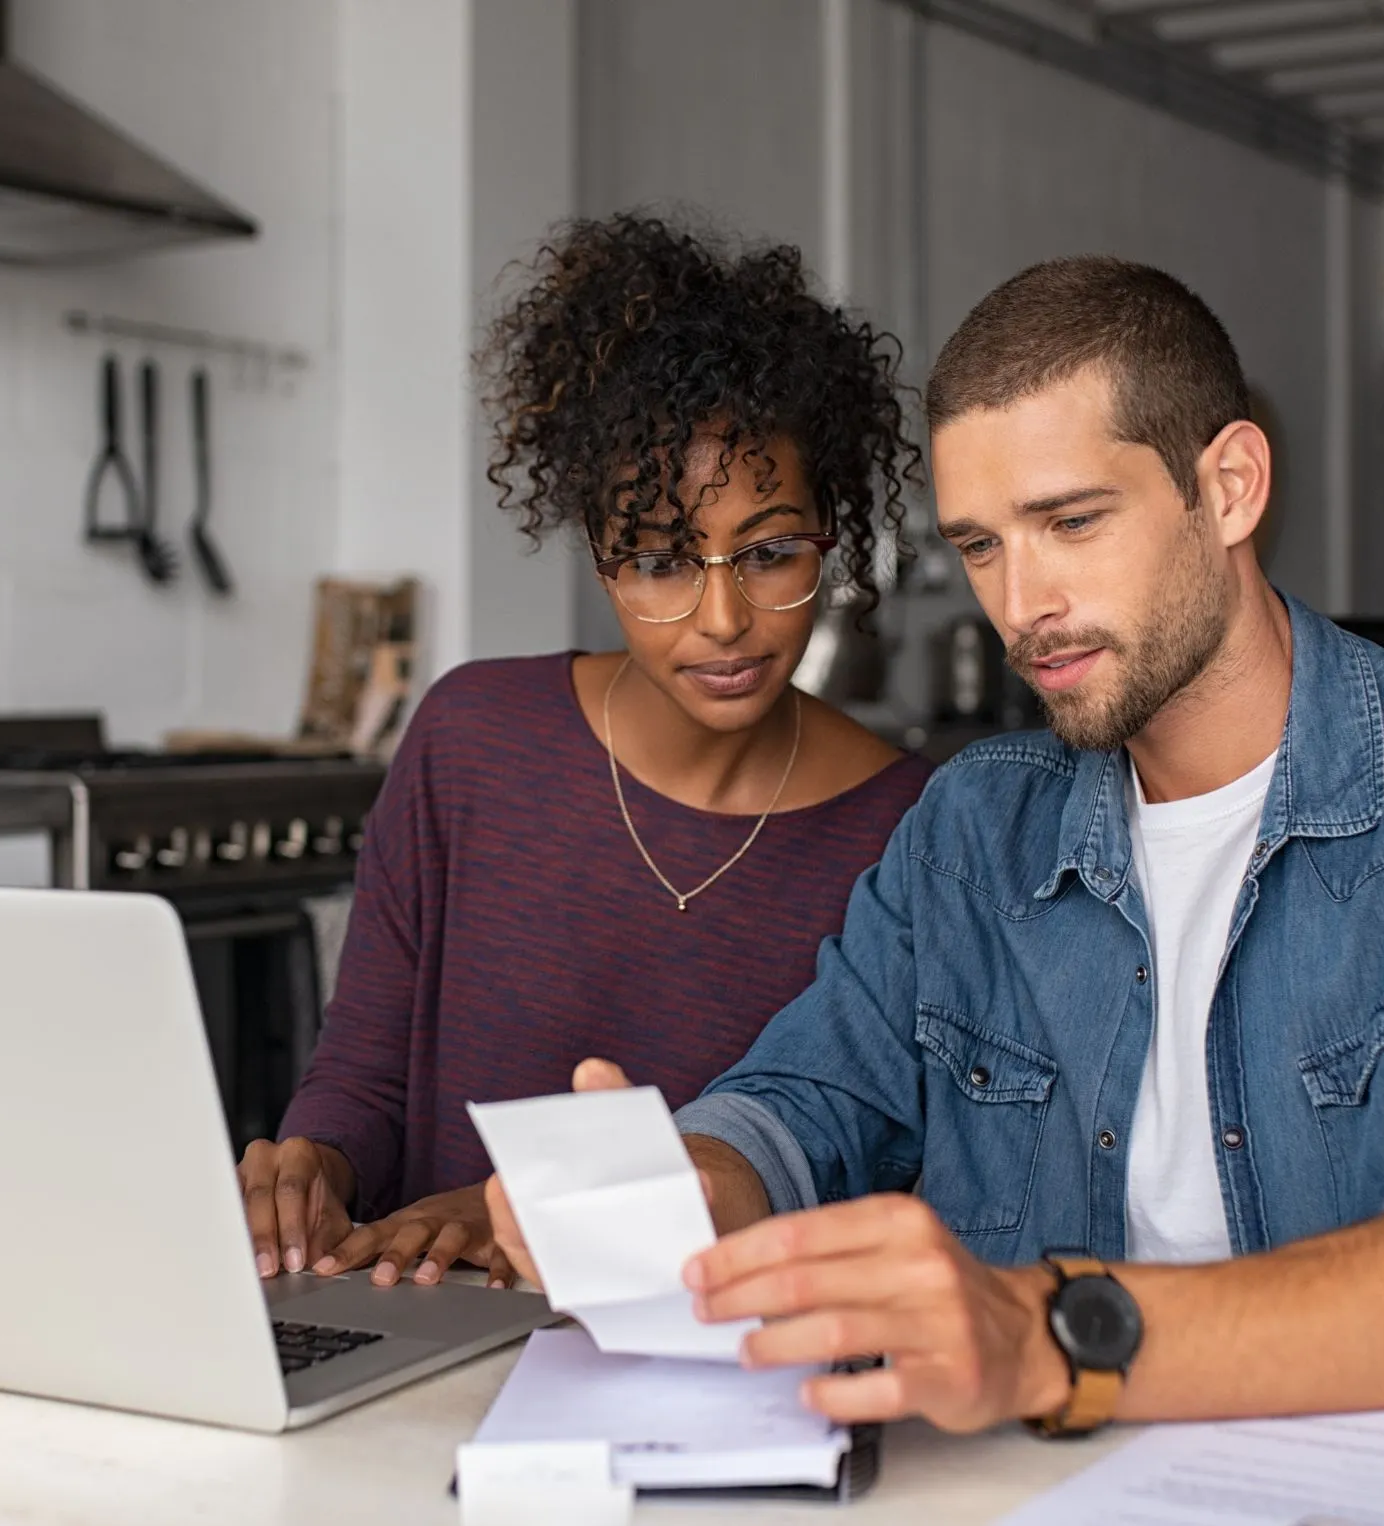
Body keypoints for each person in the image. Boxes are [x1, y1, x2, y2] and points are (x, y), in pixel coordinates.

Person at [490, 256, 1384, 1431]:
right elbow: (803, 1101)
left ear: (1230, 486)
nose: (1022, 603)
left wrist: (1055, 1337)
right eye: (981, 544)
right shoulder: (974, 828)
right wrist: (678, 1189)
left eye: (1070, 521)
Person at [236, 214, 934, 1290]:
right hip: (422, 1344)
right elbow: (365, 1078)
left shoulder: (909, 829)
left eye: (771, 552)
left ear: (831, 539)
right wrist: (312, 1165)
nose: (721, 618)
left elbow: (862, 1172)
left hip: (714, 1380)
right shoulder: (470, 740)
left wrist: (522, 1214)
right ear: (600, 559)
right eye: (658, 560)